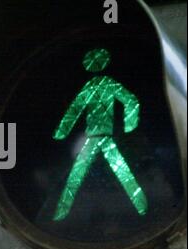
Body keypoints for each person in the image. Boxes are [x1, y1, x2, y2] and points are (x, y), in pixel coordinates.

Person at [53, 48, 148, 221]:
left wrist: (61, 132)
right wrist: (130, 124)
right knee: (117, 171)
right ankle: (142, 207)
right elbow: (130, 101)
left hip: (100, 136)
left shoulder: (102, 85)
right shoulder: (102, 85)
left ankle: (61, 212)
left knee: (79, 173)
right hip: (97, 136)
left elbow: (74, 110)